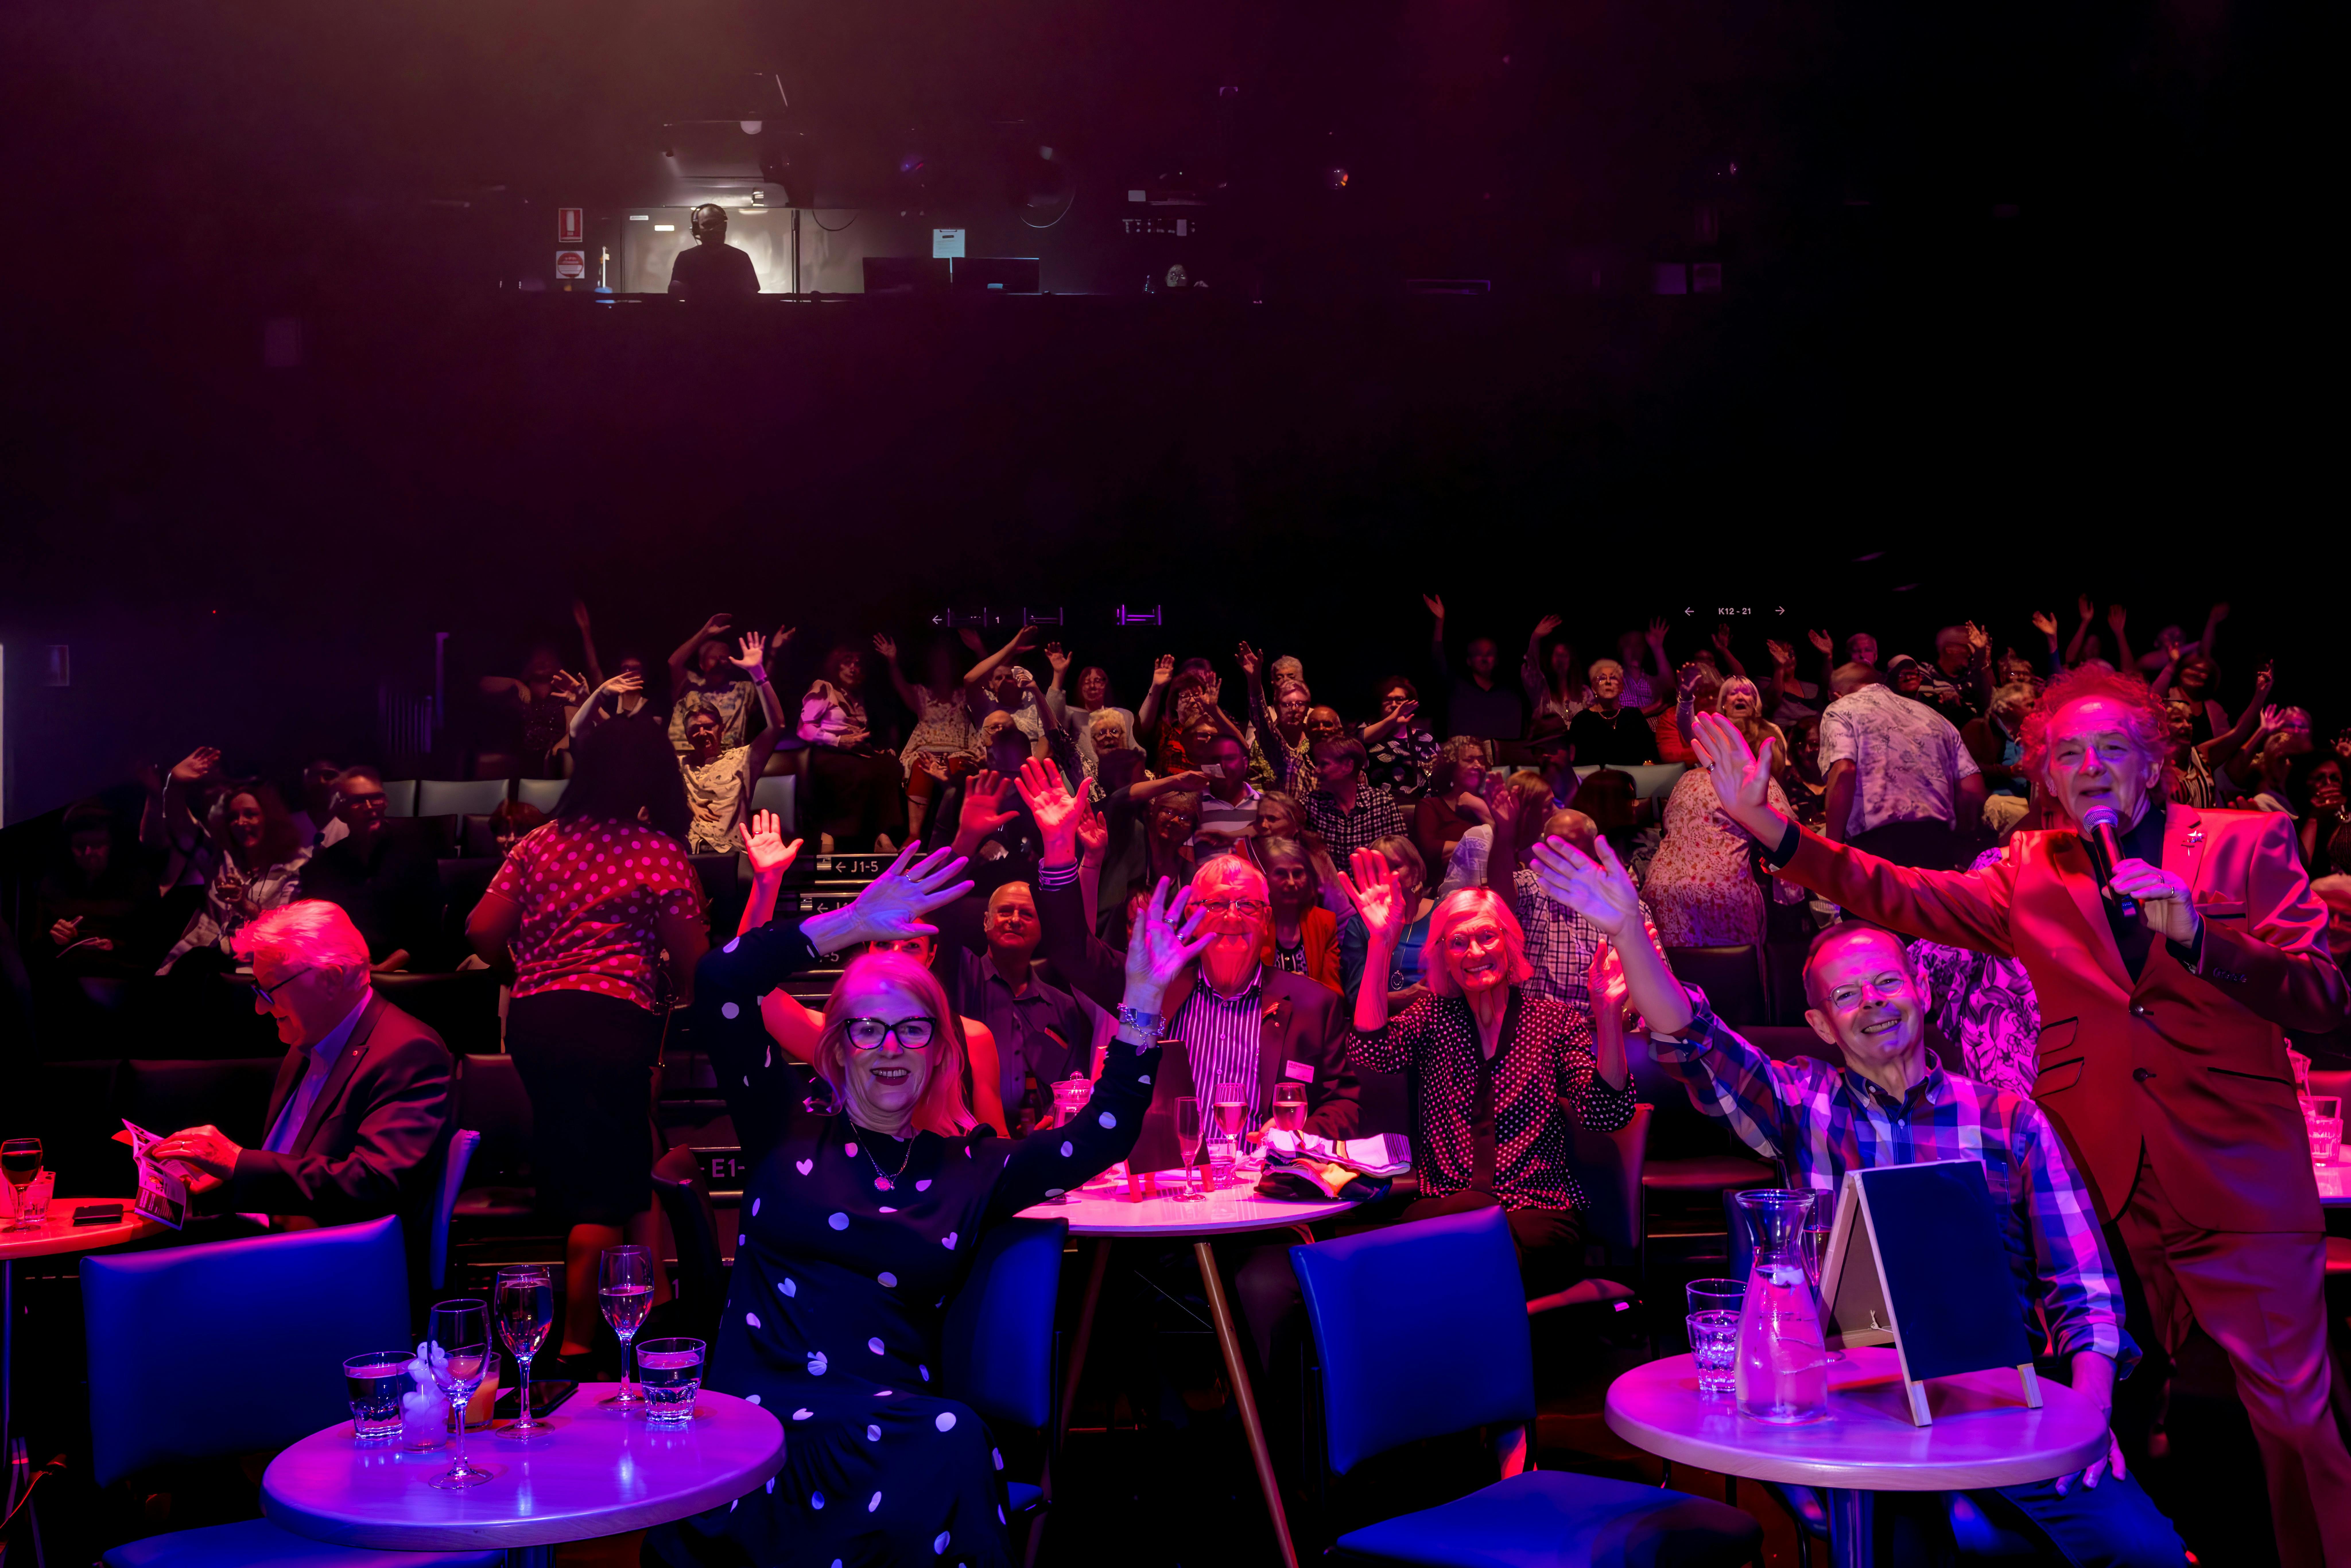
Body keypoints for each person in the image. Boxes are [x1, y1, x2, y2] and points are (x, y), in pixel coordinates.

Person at [1687, 674, 2351, 1567]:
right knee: (2105, 1411)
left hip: (2236, 1174)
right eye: (2067, 754)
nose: (2089, 767)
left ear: (2152, 763)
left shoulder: (2245, 843)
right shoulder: (2029, 872)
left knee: (2296, 1421)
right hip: (2099, 1175)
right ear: (2045, 776)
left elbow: (2324, 999)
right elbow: (1899, 895)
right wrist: (1776, 832)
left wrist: (2202, 939)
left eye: (2111, 748)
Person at [1532, 831, 2182, 1564]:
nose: (1871, 1003)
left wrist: (2090, 1419)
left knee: (2142, 1551)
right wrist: (1628, 932)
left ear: (1922, 989)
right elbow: (1690, 1035)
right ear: (1820, 1025)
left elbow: (2086, 1290)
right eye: (1845, 995)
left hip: (1993, 1402)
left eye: (1885, 983)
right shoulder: (1800, 1103)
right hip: (1851, 1404)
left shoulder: (2010, 1118)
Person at [646, 846, 1191, 1568]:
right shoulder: (783, 1132)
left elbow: (1106, 1130)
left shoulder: (970, 1168)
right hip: (757, 1423)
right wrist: (846, 924)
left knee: (949, 1436)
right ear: (837, 1049)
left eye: (913, 1028)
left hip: (892, 1422)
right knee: (945, 1441)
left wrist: (1143, 1004)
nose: (890, 1046)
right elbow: (719, 978)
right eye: (867, 1028)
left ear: (940, 1051)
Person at [465, 719, 707, 1360]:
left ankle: (645, 1312)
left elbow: (482, 931)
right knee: (603, 1188)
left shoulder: (540, 843)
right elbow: (695, 967)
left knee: (595, 1162)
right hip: (611, 1019)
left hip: (537, 1020)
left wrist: (537, 964)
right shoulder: (656, 851)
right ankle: (576, 1351)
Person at [1342, 852, 1637, 1296]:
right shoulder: (1433, 1018)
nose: (1475, 953)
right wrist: (1382, 942)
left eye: (1486, 937)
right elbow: (1372, 1053)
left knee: (1442, 1260)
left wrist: (1608, 1016)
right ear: (1443, 955)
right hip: (1446, 1215)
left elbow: (1605, 1115)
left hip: (1537, 1216)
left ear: (1510, 943)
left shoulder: (1554, 1022)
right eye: (1458, 942)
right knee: (1458, 1248)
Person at [1017, 762, 1362, 1136]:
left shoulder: (1315, 1005)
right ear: (1193, 916)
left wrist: (1296, 1135)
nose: (1233, 918)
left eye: (1247, 906)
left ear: (1266, 921)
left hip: (1268, 1185)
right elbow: (1072, 952)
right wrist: (1057, 846)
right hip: (1169, 1183)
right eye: (1217, 905)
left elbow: (1344, 1104)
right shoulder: (1153, 988)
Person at [148, 902, 453, 1231]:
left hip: (335, 1263)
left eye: (269, 989)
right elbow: (291, 1165)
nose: (259, 1008)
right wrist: (229, 1176)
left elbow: (375, 1184)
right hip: (274, 1237)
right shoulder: (307, 1040)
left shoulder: (409, 1051)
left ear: (331, 980)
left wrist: (240, 1163)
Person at [730, 810, 1010, 1138]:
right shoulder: (836, 1036)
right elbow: (744, 981)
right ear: (868, 951)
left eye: (910, 947)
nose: (895, 956)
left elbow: (998, 1148)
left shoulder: (973, 1038)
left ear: (931, 956)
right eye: (884, 944)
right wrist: (767, 882)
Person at [1645, 677, 1795, 946]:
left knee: (1677, 981)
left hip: (1659, 890)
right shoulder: (1754, 782)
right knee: (1734, 978)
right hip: (1719, 893)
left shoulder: (1686, 779)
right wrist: (1793, 902)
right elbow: (1789, 840)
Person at [1815, 661, 1984, 870]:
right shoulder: (1933, 716)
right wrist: (1960, 839)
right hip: (1938, 840)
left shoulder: (1841, 709)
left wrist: (1832, 849)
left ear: (1835, 695)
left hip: (1877, 846)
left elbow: (1844, 771)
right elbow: (1972, 786)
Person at [296, 766, 445, 972]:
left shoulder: (416, 856)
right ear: (341, 813)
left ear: (386, 803)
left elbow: (427, 930)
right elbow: (314, 929)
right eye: (357, 802)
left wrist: (383, 969)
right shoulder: (323, 866)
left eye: (376, 799)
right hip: (342, 971)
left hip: (405, 973)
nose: (369, 807)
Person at [158, 778, 309, 974]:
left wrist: (243, 904)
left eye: (251, 815)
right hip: (199, 964)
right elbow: (183, 826)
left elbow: (282, 928)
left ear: (269, 820)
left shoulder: (294, 867)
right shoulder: (219, 859)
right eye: (233, 817)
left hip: (256, 970)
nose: (240, 822)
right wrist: (176, 784)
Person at [673, 633, 788, 853]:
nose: (703, 733)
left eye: (709, 727)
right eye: (695, 730)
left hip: (729, 853)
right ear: (687, 736)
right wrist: (687, 803)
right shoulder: (680, 765)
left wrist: (759, 673)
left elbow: (778, 726)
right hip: (687, 855)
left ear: (722, 728)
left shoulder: (743, 759)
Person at [800, 642, 907, 853]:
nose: (853, 668)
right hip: (828, 753)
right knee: (859, 772)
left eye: (858, 664)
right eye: (847, 662)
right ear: (836, 666)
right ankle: (830, 834)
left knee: (890, 766)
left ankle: (881, 834)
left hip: (855, 753)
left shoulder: (859, 696)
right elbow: (804, 729)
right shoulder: (824, 687)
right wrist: (840, 741)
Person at [36, 800, 156, 978]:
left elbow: (153, 938)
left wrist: (115, 945)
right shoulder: (54, 884)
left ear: (112, 845)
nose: (88, 853)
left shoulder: (138, 882)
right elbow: (35, 941)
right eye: (80, 846)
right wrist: (54, 937)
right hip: (67, 970)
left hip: (120, 971)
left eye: (98, 845)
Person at [1338, 835, 1437, 1009]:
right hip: (1382, 1021)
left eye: (1396, 866)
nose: (1388, 875)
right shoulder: (1359, 925)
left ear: (1415, 870)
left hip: (1440, 1018)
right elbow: (1355, 997)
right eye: (1379, 868)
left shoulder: (1443, 913)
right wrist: (1406, 996)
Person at [668, 612, 790, 753]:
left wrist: (774, 652)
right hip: (681, 755)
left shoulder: (742, 689)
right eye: (715, 657)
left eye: (725, 658)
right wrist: (704, 634)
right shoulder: (689, 685)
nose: (721, 661)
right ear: (702, 664)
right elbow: (674, 663)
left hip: (726, 759)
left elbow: (766, 689)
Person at [1423, 594, 1526, 741]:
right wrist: (1440, 623)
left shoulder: (1510, 694)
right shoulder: (1456, 687)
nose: (1484, 658)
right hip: (1464, 759)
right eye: (1478, 654)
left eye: (1489, 654)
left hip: (1502, 762)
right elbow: (1437, 663)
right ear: (1469, 661)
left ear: (1497, 660)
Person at [1256, 836, 1342, 990]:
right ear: (1264, 878)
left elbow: (1335, 991)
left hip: (1311, 1010)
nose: (1291, 883)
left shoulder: (1325, 923)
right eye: (1281, 874)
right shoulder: (1253, 922)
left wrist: (1306, 985)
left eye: (1297, 874)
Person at [1302, 736, 1406, 859]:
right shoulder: (1311, 805)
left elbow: (1402, 858)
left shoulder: (1383, 803)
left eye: (1324, 764)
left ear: (1348, 766)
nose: (1316, 771)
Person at [1413, 739, 1491, 875]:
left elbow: (1512, 846)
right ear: (1451, 767)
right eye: (1469, 760)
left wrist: (1480, 807)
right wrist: (1488, 845)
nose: (1478, 765)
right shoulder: (1430, 807)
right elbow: (1430, 853)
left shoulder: (1492, 803)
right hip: (1450, 887)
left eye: (1481, 760)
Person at [1565, 658, 1660, 766]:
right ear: (1594, 688)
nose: (1609, 682)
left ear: (1622, 687)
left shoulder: (1634, 716)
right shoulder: (1582, 721)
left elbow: (1649, 752)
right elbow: (1579, 763)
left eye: (1613, 678)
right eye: (1602, 678)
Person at [1186, 729, 1263, 859]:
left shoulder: (1265, 804)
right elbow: (1185, 859)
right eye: (1215, 760)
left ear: (1245, 764)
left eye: (1230, 759)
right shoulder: (1193, 805)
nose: (1222, 766)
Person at [1362, 677, 1440, 797]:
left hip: (1421, 805)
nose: (1394, 705)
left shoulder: (1424, 738)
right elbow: (1361, 738)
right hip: (1380, 807)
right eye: (1388, 700)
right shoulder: (1369, 733)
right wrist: (1393, 720)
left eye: (1399, 700)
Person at [666, 203, 761, 300]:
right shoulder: (741, 257)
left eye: (716, 224)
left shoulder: (685, 257)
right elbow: (753, 291)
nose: (713, 230)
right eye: (708, 225)